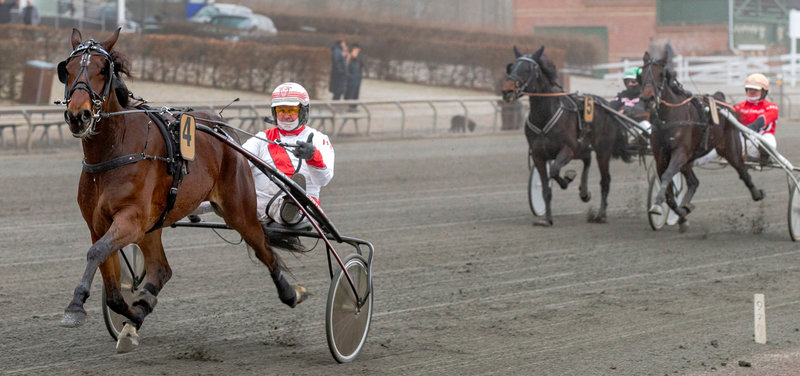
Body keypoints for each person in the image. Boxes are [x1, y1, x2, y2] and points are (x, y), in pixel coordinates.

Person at [189, 82, 334, 234]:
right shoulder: (262, 138)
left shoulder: (318, 139)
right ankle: (193, 204)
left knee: (294, 202)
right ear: (274, 112)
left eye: (292, 110)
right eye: (281, 110)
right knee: (228, 185)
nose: (286, 115)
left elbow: (323, 180)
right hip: (257, 203)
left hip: (302, 205)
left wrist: (312, 157)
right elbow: (238, 164)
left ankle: (291, 208)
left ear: (303, 111)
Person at [694, 73, 778, 166]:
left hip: (762, 138)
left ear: (764, 92)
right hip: (742, 141)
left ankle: (764, 157)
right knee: (714, 145)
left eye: (755, 89)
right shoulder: (739, 107)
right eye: (749, 89)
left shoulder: (771, 107)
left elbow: (763, 120)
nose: (752, 91)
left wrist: (749, 128)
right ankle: (690, 162)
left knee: (768, 143)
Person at [609, 66, 651, 137]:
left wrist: (624, 110)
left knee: (646, 125)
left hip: (638, 129)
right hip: (621, 128)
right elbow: (611, 105)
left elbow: (642, 108)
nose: (630, 84)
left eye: (633, 81)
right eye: (627, 81)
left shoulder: (645, 96)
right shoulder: (621, 95)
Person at [344, 43, 365, 111]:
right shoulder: (349, 57)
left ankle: (353, 106)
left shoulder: (359, 57)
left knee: (355, 93)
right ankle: (347, 106)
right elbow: (346, 68)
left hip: (357, 78)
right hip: (351, 79)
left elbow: (362, 65)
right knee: (349, 92)